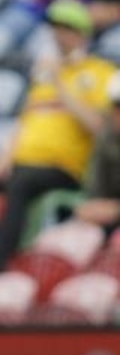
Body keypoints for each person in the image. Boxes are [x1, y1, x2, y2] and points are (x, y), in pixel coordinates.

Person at [0, 0, 115, 273]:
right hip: (23, 161)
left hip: (64, 166)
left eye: (66, 28)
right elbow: (25, 121)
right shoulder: (42, 77)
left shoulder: (100, 73)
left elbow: (100, 127)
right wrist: (4, 156)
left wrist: (60, 83)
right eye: (55, 28)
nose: (58, 35)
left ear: (81, 33)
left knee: (21, 183)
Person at [74, 69, 120, 234]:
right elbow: (96, 189)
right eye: (116, 106)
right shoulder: (106, 138)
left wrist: (116, 209)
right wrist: (92, 208)